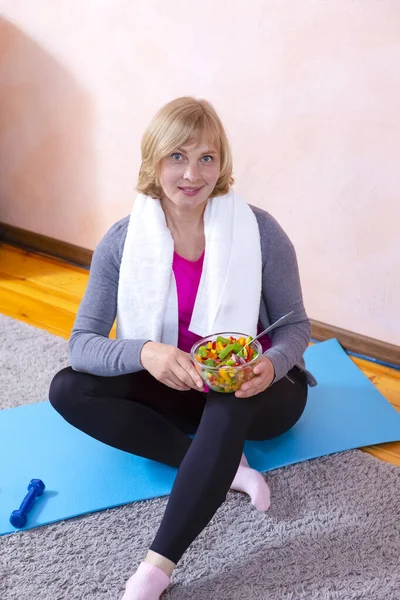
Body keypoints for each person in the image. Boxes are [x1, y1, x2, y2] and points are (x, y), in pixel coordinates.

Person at [49, 96, 317, 600]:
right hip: (179, 381)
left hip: (264, 391)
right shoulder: (123, 241)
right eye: (177, 156)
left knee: (228, 398)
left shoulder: (260, 230)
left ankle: (155, 569)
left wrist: (273, 362)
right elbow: (82, 345)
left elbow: (296, 325)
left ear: (223, 164)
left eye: (207, 158)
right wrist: (146, 352)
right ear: (153, 162)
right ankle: (222, 468)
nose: (192, 173)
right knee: (68, 389)